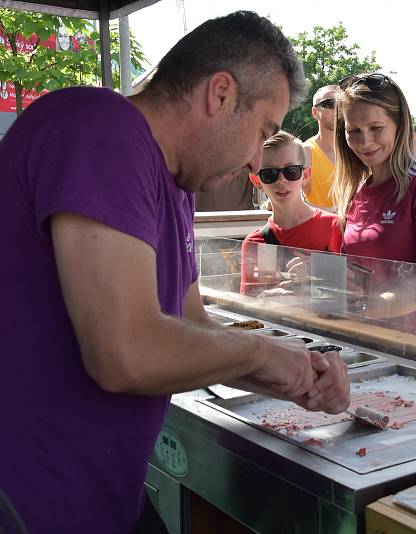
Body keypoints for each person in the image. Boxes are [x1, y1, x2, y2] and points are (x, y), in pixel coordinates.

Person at [0, 12, 350, 533]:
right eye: (262, 131)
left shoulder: (176, 187)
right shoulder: (100, 127)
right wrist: (260, 351)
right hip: (31, 503)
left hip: (106, 497)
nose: (257, 159)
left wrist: (293, 374)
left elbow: (190, 326)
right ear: (221, 94)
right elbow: (126, 354)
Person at [333, 73, 416, 337]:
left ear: (399, 125)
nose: (365, 141)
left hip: (405, 347)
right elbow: (350, 274)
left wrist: (360, 308)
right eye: (354, 131)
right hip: (355, 340)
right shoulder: (354, 189)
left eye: (376, 128)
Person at [240, 131, 343, 295]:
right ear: (256, 180)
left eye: (291, 171)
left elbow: (360, 289)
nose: (281, 180)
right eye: (270, 174)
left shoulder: (336, 227)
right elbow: (248, 309)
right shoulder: (257, 242)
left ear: (306, 175)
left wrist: (320, 271)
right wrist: (267, 297)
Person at [303, 85, 338, 210]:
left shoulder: (356, 149)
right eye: (329, 104)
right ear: (315, 112)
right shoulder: (305, 151)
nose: (337, 109)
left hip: (354, 228)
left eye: (342, 103)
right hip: (321, 227)